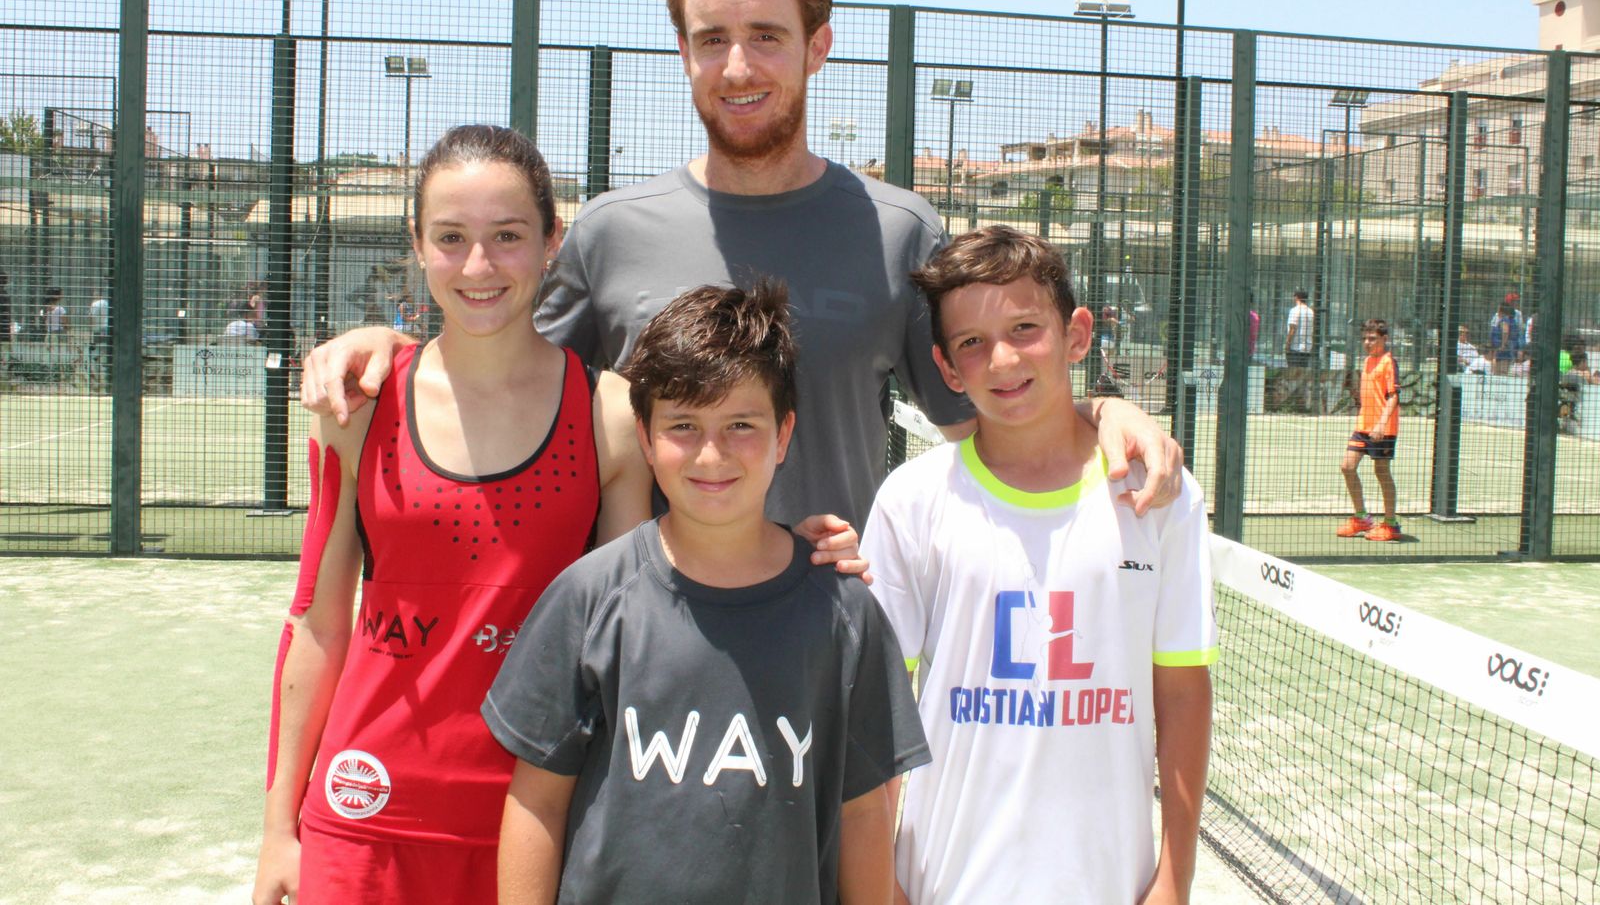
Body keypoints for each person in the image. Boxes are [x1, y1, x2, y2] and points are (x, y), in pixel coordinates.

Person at [298, 0, 1183, 527]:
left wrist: (1100, 411)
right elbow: (502, 371)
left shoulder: (900, 231)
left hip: (836, 638)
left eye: (766, 35)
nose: (737, 67)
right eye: (711, 38)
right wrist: (389, 344)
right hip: (652, 645)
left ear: (818, 46)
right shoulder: (609, 232)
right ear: (683, 52)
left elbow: (987, 417)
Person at [251, 126, 858, 905]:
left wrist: (788, 554)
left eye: (508, 236)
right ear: (417, 244)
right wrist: (279, 827)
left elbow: (647, 609)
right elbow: (316, 623)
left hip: (538, 822)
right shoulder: (357, 405)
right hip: (366, 813)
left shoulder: (608, 414)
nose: (479, 266)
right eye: (451, 237)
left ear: (551, 243)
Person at [485, 280, 928, 904]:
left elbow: (862, 812)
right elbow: (538, 801)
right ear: (645, 437)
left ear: (783, 434)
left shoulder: (844, 612)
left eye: (741, 424)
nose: (712, 454)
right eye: (684, 425)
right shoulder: (590, 598)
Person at [861, 226, 1216, 904]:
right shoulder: (912, 500)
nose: (1002, 360)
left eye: (1025, 328)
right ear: (946, 368)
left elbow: (1181, 692)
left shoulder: (1161, 496)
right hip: (941, 886)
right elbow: (876, 714)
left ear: (1076, 335)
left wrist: (1175, 878)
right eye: (971, 342)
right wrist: (885, 887)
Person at [1337, 318, 1401, 542]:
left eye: (1372, 338)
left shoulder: (1389, 362)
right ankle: (1362, 518)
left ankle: (1391, 524)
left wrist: (1381, 424)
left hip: (1384, 429)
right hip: (1363, 426)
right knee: (1347, 466)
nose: (1367, 342)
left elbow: (1393, 396)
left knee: (1381, 472)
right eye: (1364, 338)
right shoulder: (1366, 361)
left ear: (1385, 339)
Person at [1283, 289, 1314, 412]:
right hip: (1307, 348)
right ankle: (1302, 404)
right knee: (1302, 376)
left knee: (1293, 376)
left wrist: (1287, 344)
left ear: (1296, 297)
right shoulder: (1311, 312)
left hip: (1295, 348)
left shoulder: (1295, 310)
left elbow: (1292, 328)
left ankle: (1292, 403)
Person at [1488, 300, 1523, 375]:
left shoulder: (1505, 320)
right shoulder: (1512, 320)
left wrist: (1503, 345)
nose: (1497, 312)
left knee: (1501, 373)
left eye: (1498, 309)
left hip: (1504, 352)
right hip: (1508, 350)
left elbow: (1505, 331)